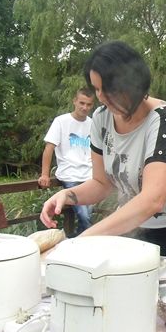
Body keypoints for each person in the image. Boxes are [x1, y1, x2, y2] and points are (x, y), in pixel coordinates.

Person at [39, 41, 166, 276]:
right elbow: (101, 183)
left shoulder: (161, 119)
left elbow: (153, 199)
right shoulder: (101, 118)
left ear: (133, 81)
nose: (102, 98)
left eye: (108, 89)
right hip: (132, 228)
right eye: (97, 89)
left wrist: (84, 239)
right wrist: (67, 195)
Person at [38, 87, 95, 235]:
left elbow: (97, 152)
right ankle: (81, 244)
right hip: (70, 175)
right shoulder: (61, 121)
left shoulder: (93, 124)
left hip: (90, 177)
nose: (85, 107)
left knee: (87, 217)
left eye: (89, 104)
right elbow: (49, 148)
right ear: (74, 101)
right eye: (82, 103)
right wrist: (44, 174)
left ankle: (77, 244)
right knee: (84, 216)